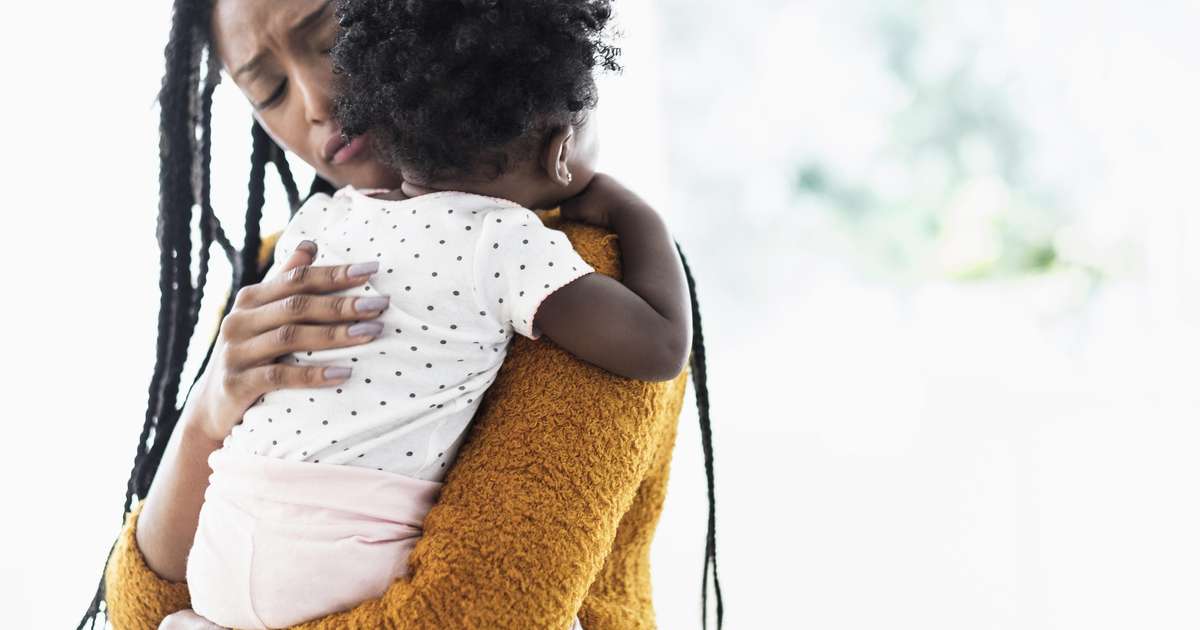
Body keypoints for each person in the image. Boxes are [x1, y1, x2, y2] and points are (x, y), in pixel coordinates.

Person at [78, 0, 722, 628]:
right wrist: (207, 411)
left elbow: (478, 614)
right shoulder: (290, 262)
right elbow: (139, 610)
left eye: (330, 39)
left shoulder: (582, 274)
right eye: (269, 89)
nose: (314, 102)